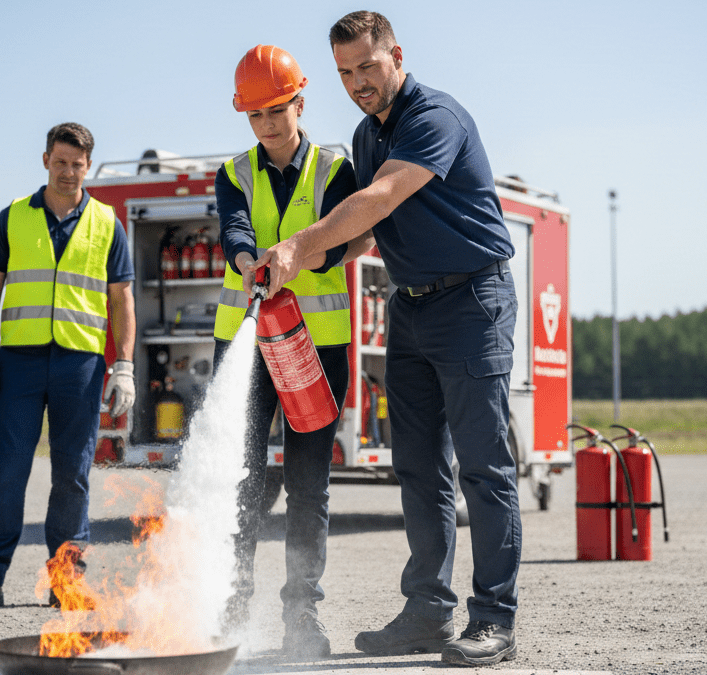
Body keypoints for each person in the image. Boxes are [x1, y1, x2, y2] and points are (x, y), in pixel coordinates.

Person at [251, 11, 521, 667]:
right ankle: (428, 613)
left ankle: (493, 620)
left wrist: (300, 242)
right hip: (411, 306)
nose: (357, 83)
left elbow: (379, 197)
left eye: (367, 67)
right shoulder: (366, 135)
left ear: (396, 54)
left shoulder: (435, 117)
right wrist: (310, 260)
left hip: (471, 299)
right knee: (420, 467)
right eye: (345, 73)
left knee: (484, 467)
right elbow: (369, 234)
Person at [213, 45, 372, 660]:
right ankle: (231, 610)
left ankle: (301, 616)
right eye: (255, 115)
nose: (268, 125)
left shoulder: (335, 168)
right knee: (244, 481)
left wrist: (301, 257)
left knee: (309, 485)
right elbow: (234, 230)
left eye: (277, 110)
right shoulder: (235, 173)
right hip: (248, 346)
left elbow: (350, 234)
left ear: (300, 103)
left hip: (318, 348)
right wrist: (250, 260)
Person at [0, 122, 136, 611]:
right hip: (20, 362)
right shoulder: (13, 217)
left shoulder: (107, 222)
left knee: (72, 475)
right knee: (6, 472)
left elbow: (122, 299)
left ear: (87, 166)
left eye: (77, 164)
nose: (68, 172)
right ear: (45, 161)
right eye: (60, 162)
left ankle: (67, 582)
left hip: (80, 365)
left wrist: (124, 366)